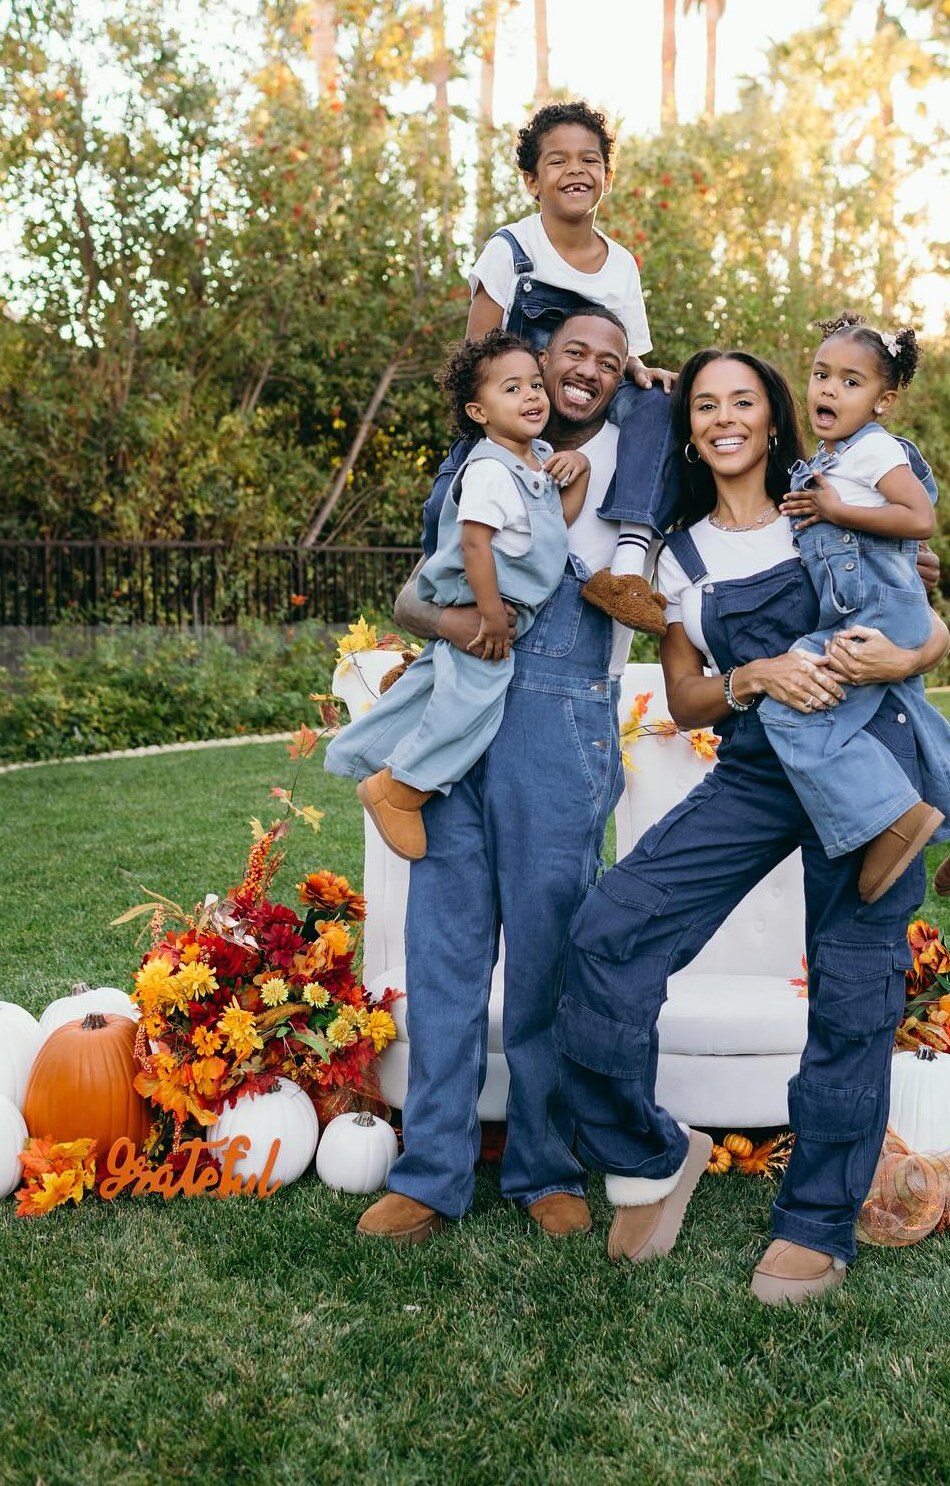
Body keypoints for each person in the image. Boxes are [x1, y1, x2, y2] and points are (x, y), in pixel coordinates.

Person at [552, 347, 950, 1305]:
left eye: (743, 402)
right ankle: (653, 1154)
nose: (723, 419)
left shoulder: (834, 511)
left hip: (869, 769)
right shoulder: (682, 555)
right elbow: (688, 698)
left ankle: (817, 1220)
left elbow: (930, 630)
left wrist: (897, 663)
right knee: (611, 931)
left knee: (853, 989)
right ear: (690, 429)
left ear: (774, 420)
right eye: (703, 407)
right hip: (758, 772)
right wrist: (760, 675)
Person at [351, 305, 647, 1245]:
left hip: (560, 730)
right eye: (569, 354)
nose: (584, 371)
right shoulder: (479, 463)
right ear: (535, 364)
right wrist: (460, 624)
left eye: (610, 358)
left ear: (622, 372)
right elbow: (412, 594)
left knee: (548, 964)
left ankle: (546, 1165)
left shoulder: (640, 457)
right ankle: (431, 1174)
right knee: (444, 955)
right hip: (464, 716)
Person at [761, 313, 950, 903]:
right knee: (917, 721)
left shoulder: (873, 450)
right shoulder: (832, 459)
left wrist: (836, 514)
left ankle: (892, 818)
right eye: (820, 374)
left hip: (877, 613)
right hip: (874, 608)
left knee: (790, 706)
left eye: (851, 382)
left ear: (883, 401)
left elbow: (918, 517)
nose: (829, 389)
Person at [324, 332, 592, 861]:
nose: (532, 396)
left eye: (535, 384)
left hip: (499, 603)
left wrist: (578, 471)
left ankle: (367, 753)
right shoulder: (492, 469)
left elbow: (557, 523)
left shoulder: (538, 458)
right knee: (471, 708)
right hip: (481, 602)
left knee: (431, 689)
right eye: (512, 389)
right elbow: (474, 544)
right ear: (480, 411)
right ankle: (401, 789)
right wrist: (490, 617)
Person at [425, 99, 678, 637]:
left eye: (590, 160)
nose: (576, 170)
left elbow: (630, 355)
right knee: (441, 501)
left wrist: (645, 373)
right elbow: (478, 359)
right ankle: (433, 619)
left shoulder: (621, 266)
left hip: (589, 399)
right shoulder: (510, 250)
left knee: (659, 404)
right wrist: (497, 439)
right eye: (558, 161)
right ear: (532, 181)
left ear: (606, 177)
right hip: (518, 406)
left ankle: (627, 568)